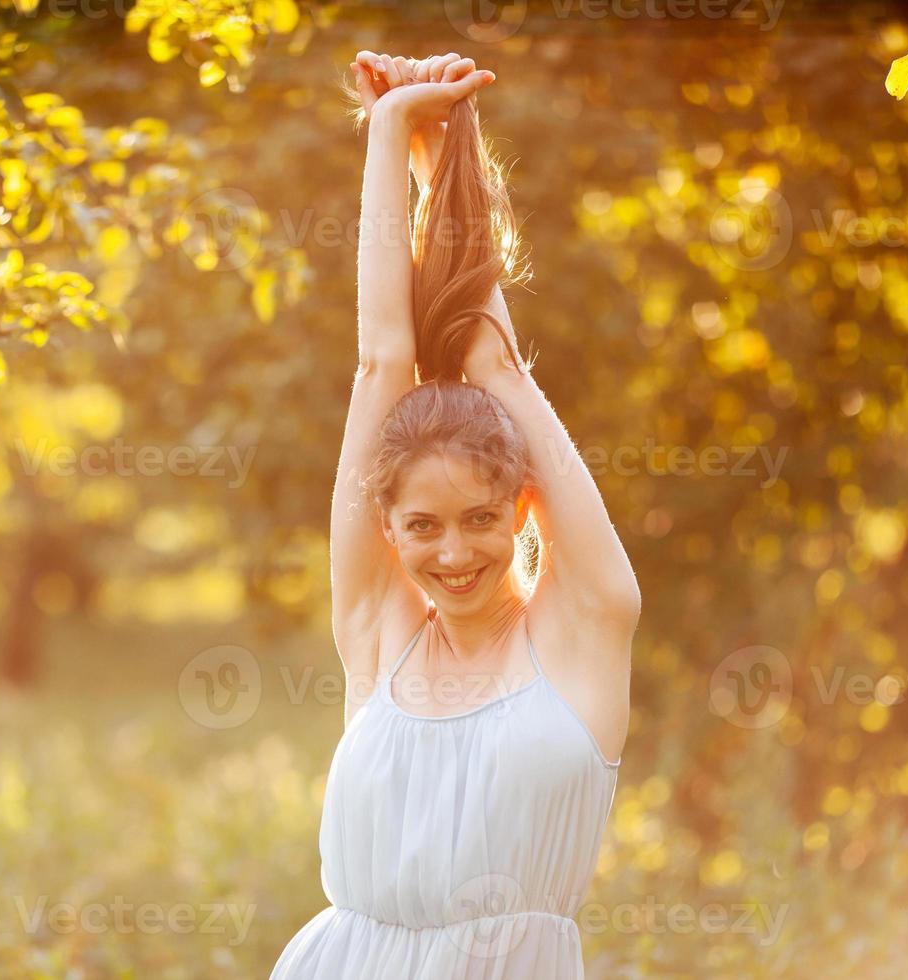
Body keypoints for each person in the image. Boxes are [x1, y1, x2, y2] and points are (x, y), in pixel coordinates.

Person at [268, 51, 642, 979]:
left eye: (480, 517)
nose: (454, 552)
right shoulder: (379, 629)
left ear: (524, 506)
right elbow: (380, 363)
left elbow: (497, 370)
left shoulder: (584, 628)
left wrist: (450, 164)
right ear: (386, 531)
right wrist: (389, 133)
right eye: (423, 527)